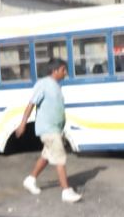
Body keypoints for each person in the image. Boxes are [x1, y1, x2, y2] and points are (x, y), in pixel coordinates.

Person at [16, 59, 82, 203]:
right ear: (55, 70)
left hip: (55, 128)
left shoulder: (56, 86)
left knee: (46, 155)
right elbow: (31, 104)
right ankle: (66, 191)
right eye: (63, 70)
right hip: (48, 129)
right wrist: (23, 124)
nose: (65, 73)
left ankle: (30, 179)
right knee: (60, 157)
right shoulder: (44, 84)